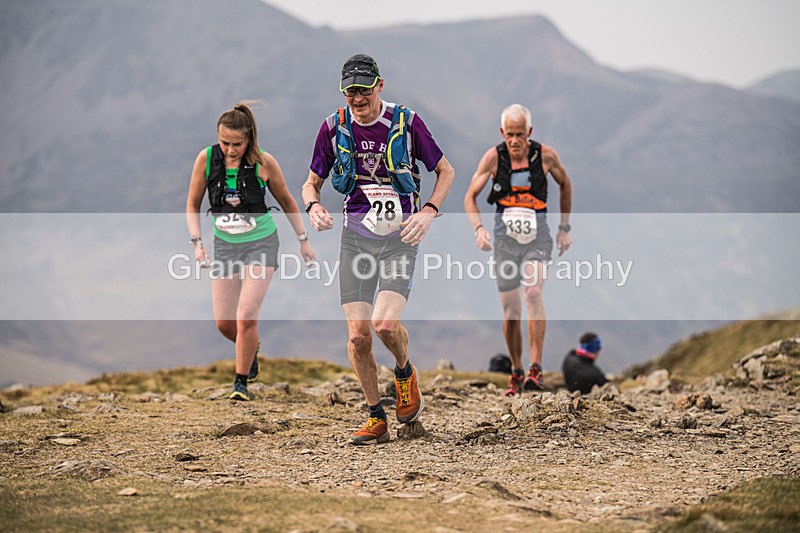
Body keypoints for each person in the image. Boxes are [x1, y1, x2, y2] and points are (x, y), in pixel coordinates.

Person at [302, 54, 455, 444]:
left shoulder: (405, 123)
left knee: (385, 325)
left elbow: (446, 171)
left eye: (364, 89)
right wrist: (313, 206)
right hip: (355, 239)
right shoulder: (333, 128)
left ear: (380, 86)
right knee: (358, 337)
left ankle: (404, 374)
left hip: (399, 238)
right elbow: (311, 183)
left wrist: (429, 211)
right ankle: (376, 416)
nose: (357, 97)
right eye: (350, 90)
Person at [186, 102, 316, 401]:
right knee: (224, 323)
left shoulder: (264, 162)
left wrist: (303, 239)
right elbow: (193, 204)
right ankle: (250, 348)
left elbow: (287, 202)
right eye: (225, 143)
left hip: (261, 242)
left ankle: (240, 383)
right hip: (225, 244)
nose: (231, 150)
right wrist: (197, 243)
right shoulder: (206, 160)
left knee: (246, 317)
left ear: (250, 139)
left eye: (237, 144)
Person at [464, 103, 573, 396]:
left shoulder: (546, 156)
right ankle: (516, 369)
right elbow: (470, 197)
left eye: (520, 134)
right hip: (504, 242)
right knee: (511, 313)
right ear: (502, 132)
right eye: (510, 134)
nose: (514, 141)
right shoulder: (493, 158)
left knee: (533, 293)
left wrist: (565, 228)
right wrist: (479, 229)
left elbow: (566, 184)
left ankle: (535, 369)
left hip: (538, 238)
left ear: (530, 133)